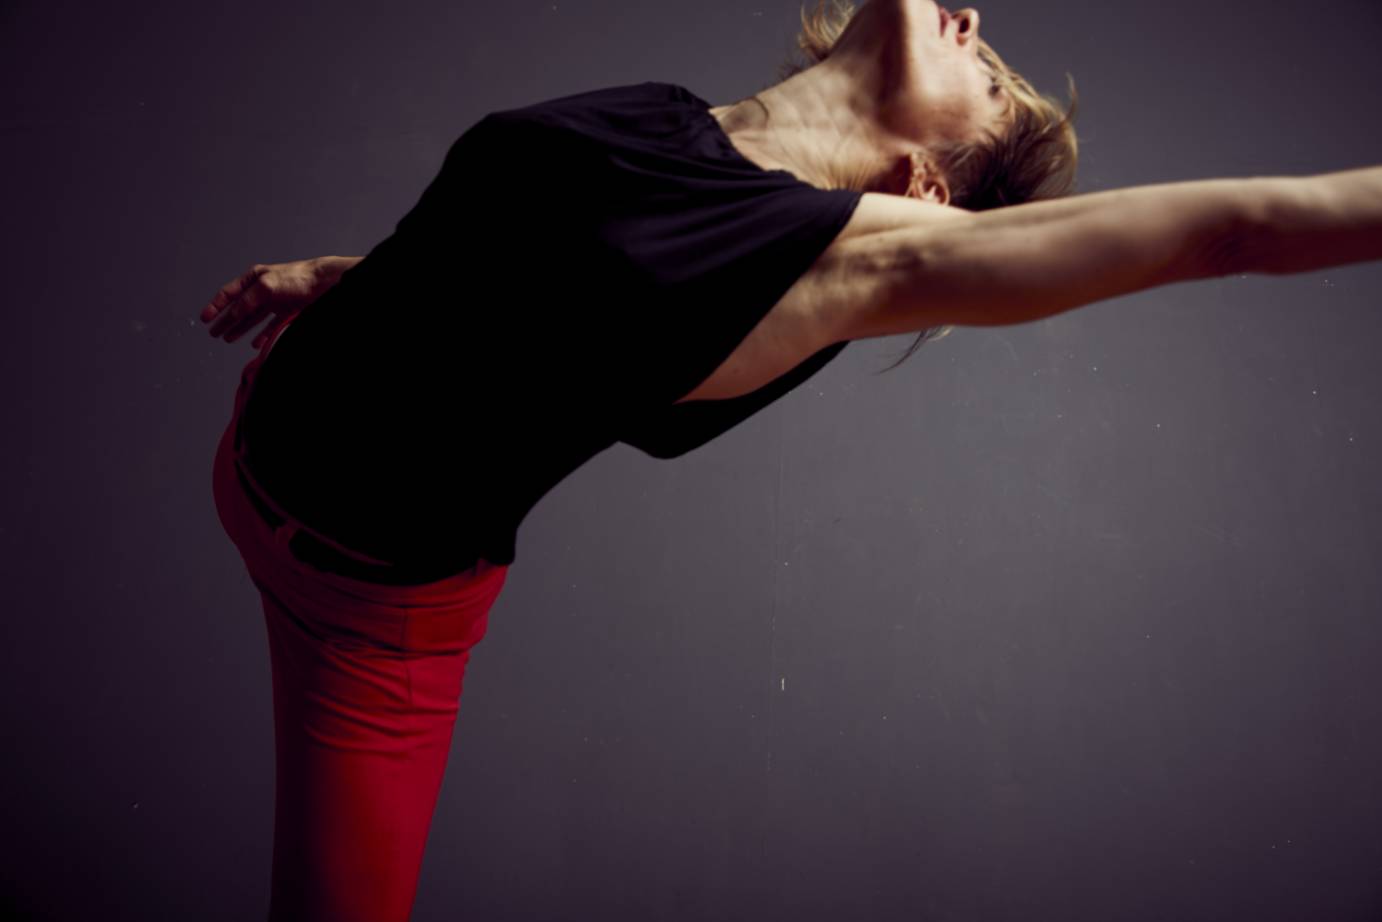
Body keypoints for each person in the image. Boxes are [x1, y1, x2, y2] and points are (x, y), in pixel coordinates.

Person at [199, 1, 1382, 919]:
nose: (969, 25)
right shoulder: (667, 115)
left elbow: (1238, 228)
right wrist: (331, 281)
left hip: (356, 621)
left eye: (986, 78)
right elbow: (513, 263)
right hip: (264, 425)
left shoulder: (842, 265)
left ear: (923, 194)